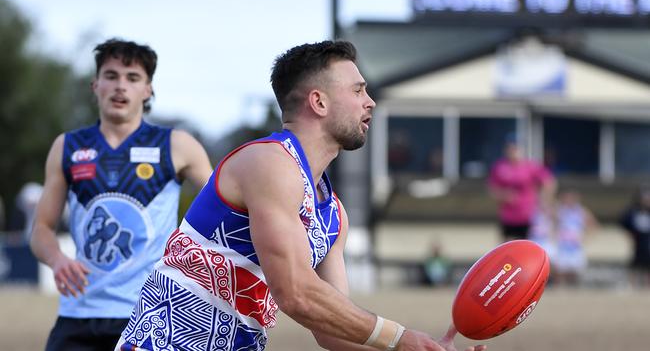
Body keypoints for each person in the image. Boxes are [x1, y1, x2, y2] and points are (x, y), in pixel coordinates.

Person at [117, 41, 486, 351]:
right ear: (319, 102)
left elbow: (332, 333)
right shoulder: (269, 162)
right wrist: (401, 338)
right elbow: (295, 292)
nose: (370, 101)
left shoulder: (334, 215)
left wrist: (425, 348)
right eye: (358, 90)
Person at [30, 38, 213, 351]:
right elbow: (41, 229)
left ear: (148, 89)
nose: (120, 87)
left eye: (132, 78)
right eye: (111, 76)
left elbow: (226, 207)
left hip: (150, 315)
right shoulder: (68, 146)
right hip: (79, 315)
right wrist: (57, 259)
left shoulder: (176, 145)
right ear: (95, 84)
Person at [488, 136, 556, 242]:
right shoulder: (500, 167)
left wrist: (544, 201)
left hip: (528, 215)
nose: (513, 151)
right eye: (510, 148)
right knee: (507, 247)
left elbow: (549, 182)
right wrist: (503, 196)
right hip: (508, 216)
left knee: (528, 246)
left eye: (515, 148)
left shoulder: (530, 166)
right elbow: (492, 189)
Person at [552, 189, 598, 286]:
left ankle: (572, 289)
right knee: (560, 269)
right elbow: (550, 223)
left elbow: (593, 224)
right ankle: (559, 288)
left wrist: (586, 238)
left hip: (575, 245)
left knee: (574, 270)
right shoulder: (559, 210)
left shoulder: (581, 211)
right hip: (563, 245)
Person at [619, 187, 650, 288]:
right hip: (638, 240)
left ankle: (647, 285)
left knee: (648, 264)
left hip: (648, 240)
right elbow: (624, 222)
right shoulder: (633, 211)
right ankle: (632, 285)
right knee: (635, 263)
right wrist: (629, 234)